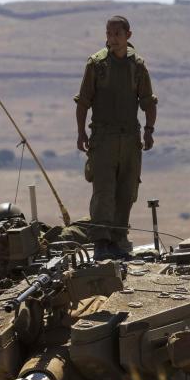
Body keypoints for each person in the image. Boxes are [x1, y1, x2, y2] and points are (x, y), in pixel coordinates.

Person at [74, 15, 158, 259]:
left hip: (130, 139)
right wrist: (81, 133)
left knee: (127, 190)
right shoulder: (97, 65)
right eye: (109, 34)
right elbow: (83, 102)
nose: (112, 39)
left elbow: (148, 101)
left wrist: (149, 130)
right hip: (103, 139)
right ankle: (101, 242)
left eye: (117, 34)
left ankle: (119, 240)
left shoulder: (137, 66)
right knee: (103, 190)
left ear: (128, 35)